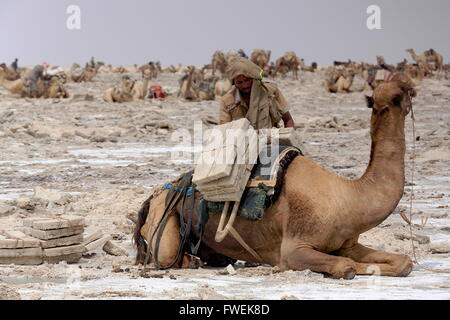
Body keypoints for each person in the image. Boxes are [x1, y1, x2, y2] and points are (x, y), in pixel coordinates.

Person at [219, 57, 294, 129]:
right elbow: (224, 128)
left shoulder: (270, 91)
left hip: (268, 138)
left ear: (254, 78)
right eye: (239, 82)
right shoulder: (227, 101)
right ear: (234, 82)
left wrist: (288, 139)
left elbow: (288, 120)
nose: (244, 85)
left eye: (247, 80)